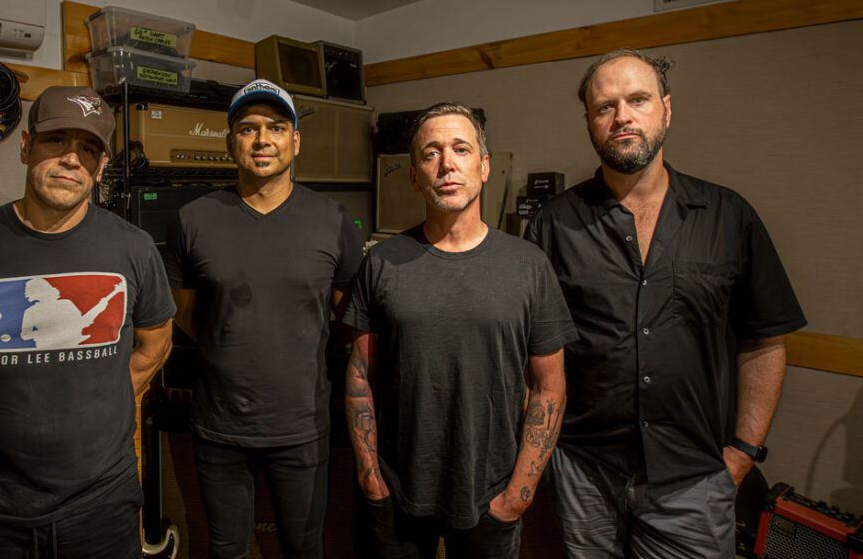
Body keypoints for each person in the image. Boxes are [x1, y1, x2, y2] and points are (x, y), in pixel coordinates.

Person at [524, 48, 808, 558]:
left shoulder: (728, 216)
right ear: (589, 121)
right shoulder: (554, 224)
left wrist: (743, 452)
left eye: (638, 99)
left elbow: (764, 340)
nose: (622, 117)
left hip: (694, 478)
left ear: (667, 109)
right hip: (583, 474)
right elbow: (535, 352)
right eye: (605, 106)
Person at [0, 85, 176, 558]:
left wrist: (103, 404)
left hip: (103, 506)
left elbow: (156, 346)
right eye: (56, 140)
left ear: (101, 167)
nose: (72, 158)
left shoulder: (134, 248)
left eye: (88, 149)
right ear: (26, 145)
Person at [343, 102, 577, 558]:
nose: (447, 163)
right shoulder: (382, 262)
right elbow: (359, 378)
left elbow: (549, 388)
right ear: (415, 176)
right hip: (397, 491)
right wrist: (370, 476)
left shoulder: (528, 266)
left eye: (461, 149)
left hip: (492, 495)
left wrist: (519, 494)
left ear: (484, 167)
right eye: (431, 153)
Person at [163, 79, 363, 559]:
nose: (262, 139)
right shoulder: (193, 219)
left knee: (304, 547)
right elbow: (185, 312)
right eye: (248, 128)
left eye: (276, 127)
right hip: (219, 425)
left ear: (296, 140)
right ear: (230, 142)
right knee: (225, 547)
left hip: (302, 426)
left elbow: (346, 317)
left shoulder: (334, 220)